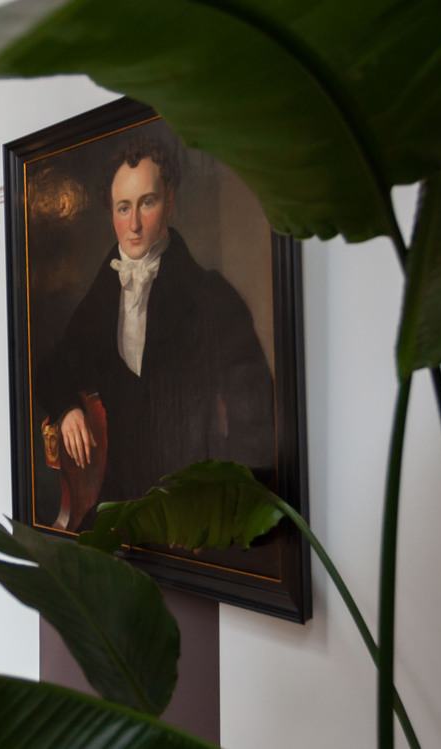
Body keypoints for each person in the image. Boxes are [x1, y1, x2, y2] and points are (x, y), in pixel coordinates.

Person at [36, 137, 275, 518]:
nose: (133, 225)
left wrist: (225, 506)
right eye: (123, 208)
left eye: (147, 203)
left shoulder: (211, 298)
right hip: (120, 502)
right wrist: (67, 410)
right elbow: (53, 367)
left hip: (192, 508)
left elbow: (256, 418)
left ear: (170, 202)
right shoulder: (103, 296)